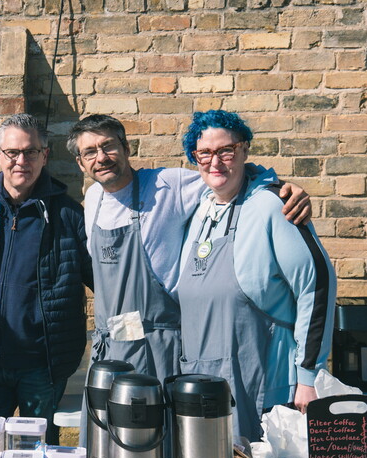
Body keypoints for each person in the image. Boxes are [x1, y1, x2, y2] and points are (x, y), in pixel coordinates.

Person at [68, 114, 312, 386]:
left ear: (126, 149)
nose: (101, 158)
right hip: (109, 351)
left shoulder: (166, 185)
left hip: (158, 348)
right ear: (80, 163)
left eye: (108, 146)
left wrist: (279, 187)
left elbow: (223, 173)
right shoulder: (92, 199)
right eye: (90, 152)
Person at [177, 110, 336, 441]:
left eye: (226, 150)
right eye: (204, 153)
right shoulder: (199, 208)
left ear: (244, 150)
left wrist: (308, 378)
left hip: (263, 383)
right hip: (205, 382)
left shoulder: (272, 206)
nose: (215, 162)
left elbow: (317, 286)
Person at [0, 113, 93, 445]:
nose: (21, 161)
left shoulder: (69, 215)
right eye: (12, 152)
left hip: (42, 367)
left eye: (31, 152)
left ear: (45, 155)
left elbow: (104, 279)